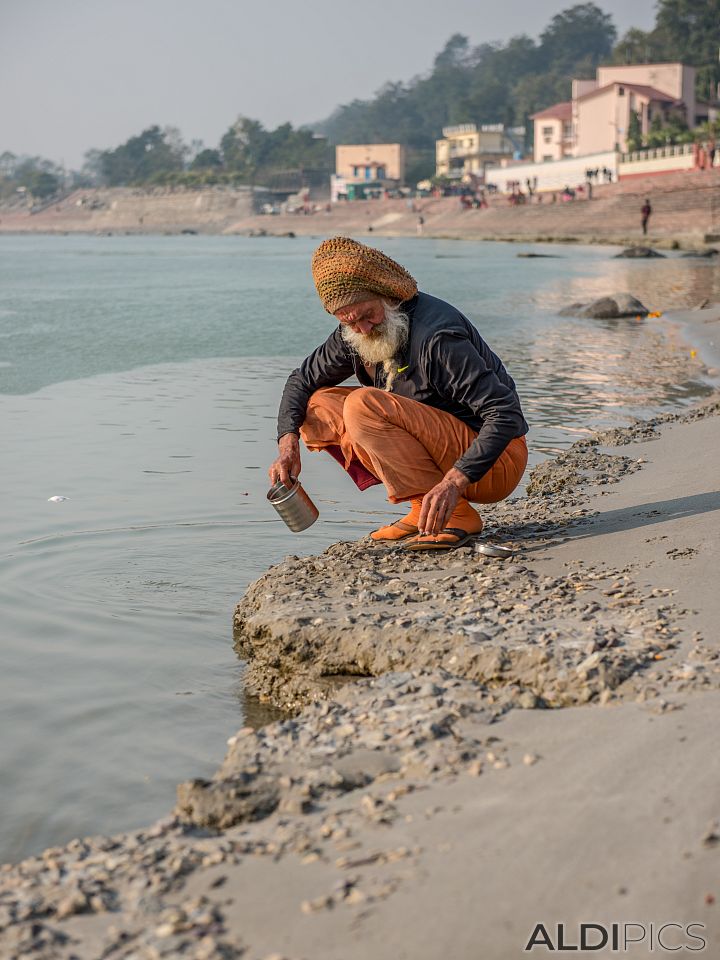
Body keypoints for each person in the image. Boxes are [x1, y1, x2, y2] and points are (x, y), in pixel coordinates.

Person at [268, 237, 529, 551]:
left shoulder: (437, 337)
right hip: (445, 453)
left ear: (389, 295)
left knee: (362, 405)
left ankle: (457, 515)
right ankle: (422, 506)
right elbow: (301, 380)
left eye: (369, 316)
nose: (363, 329)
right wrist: (287, 446)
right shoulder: (353, 331)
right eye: (348, 321)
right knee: (316, 407)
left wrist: (454, 482)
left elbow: (506, 414)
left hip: (496, 462)